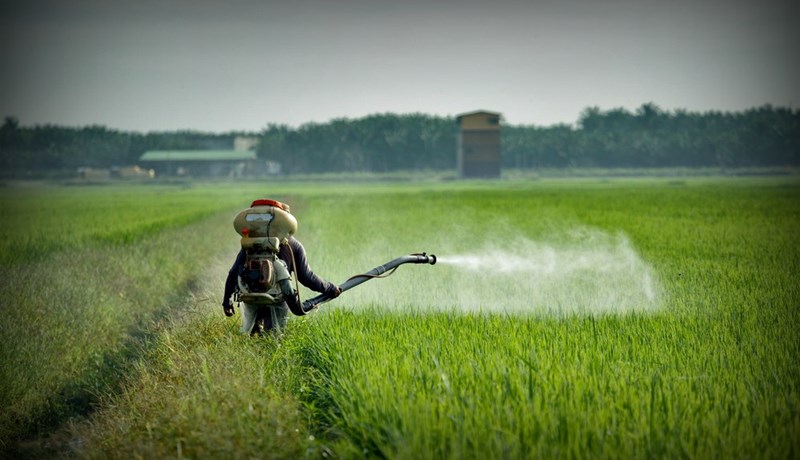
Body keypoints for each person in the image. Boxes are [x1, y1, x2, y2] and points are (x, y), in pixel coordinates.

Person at [222, 232, 341, 335]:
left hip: (251, 297)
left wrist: (227, 301)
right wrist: (330, 288)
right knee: (273, 339)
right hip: (278, 298)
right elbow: (307, 278)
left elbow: (233, 273)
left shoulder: (251, 245)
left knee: (252, 337)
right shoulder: (293, 245)